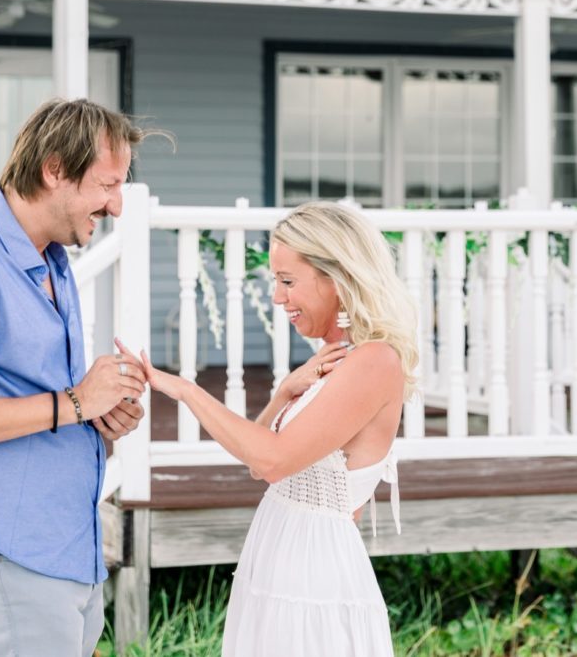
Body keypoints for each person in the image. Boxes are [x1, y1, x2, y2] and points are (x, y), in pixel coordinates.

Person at [0, 98, 151, 657]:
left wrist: (99, 421)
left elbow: (40, 401)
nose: (116, 205)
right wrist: (74, 403)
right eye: (107, 184)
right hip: (11, 558)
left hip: (70, 552)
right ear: (55, 168)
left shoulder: (55, 261)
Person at [131, 201, 418, 656]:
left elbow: (273, 459)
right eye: (274, 282)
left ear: (337, 279)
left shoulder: (375, 360)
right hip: (278, 550)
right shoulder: (334, 362)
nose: (278, 298)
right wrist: (284, 392)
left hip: (315, 571)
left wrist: (187, 391)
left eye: (287, 282)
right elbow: (259, 467)